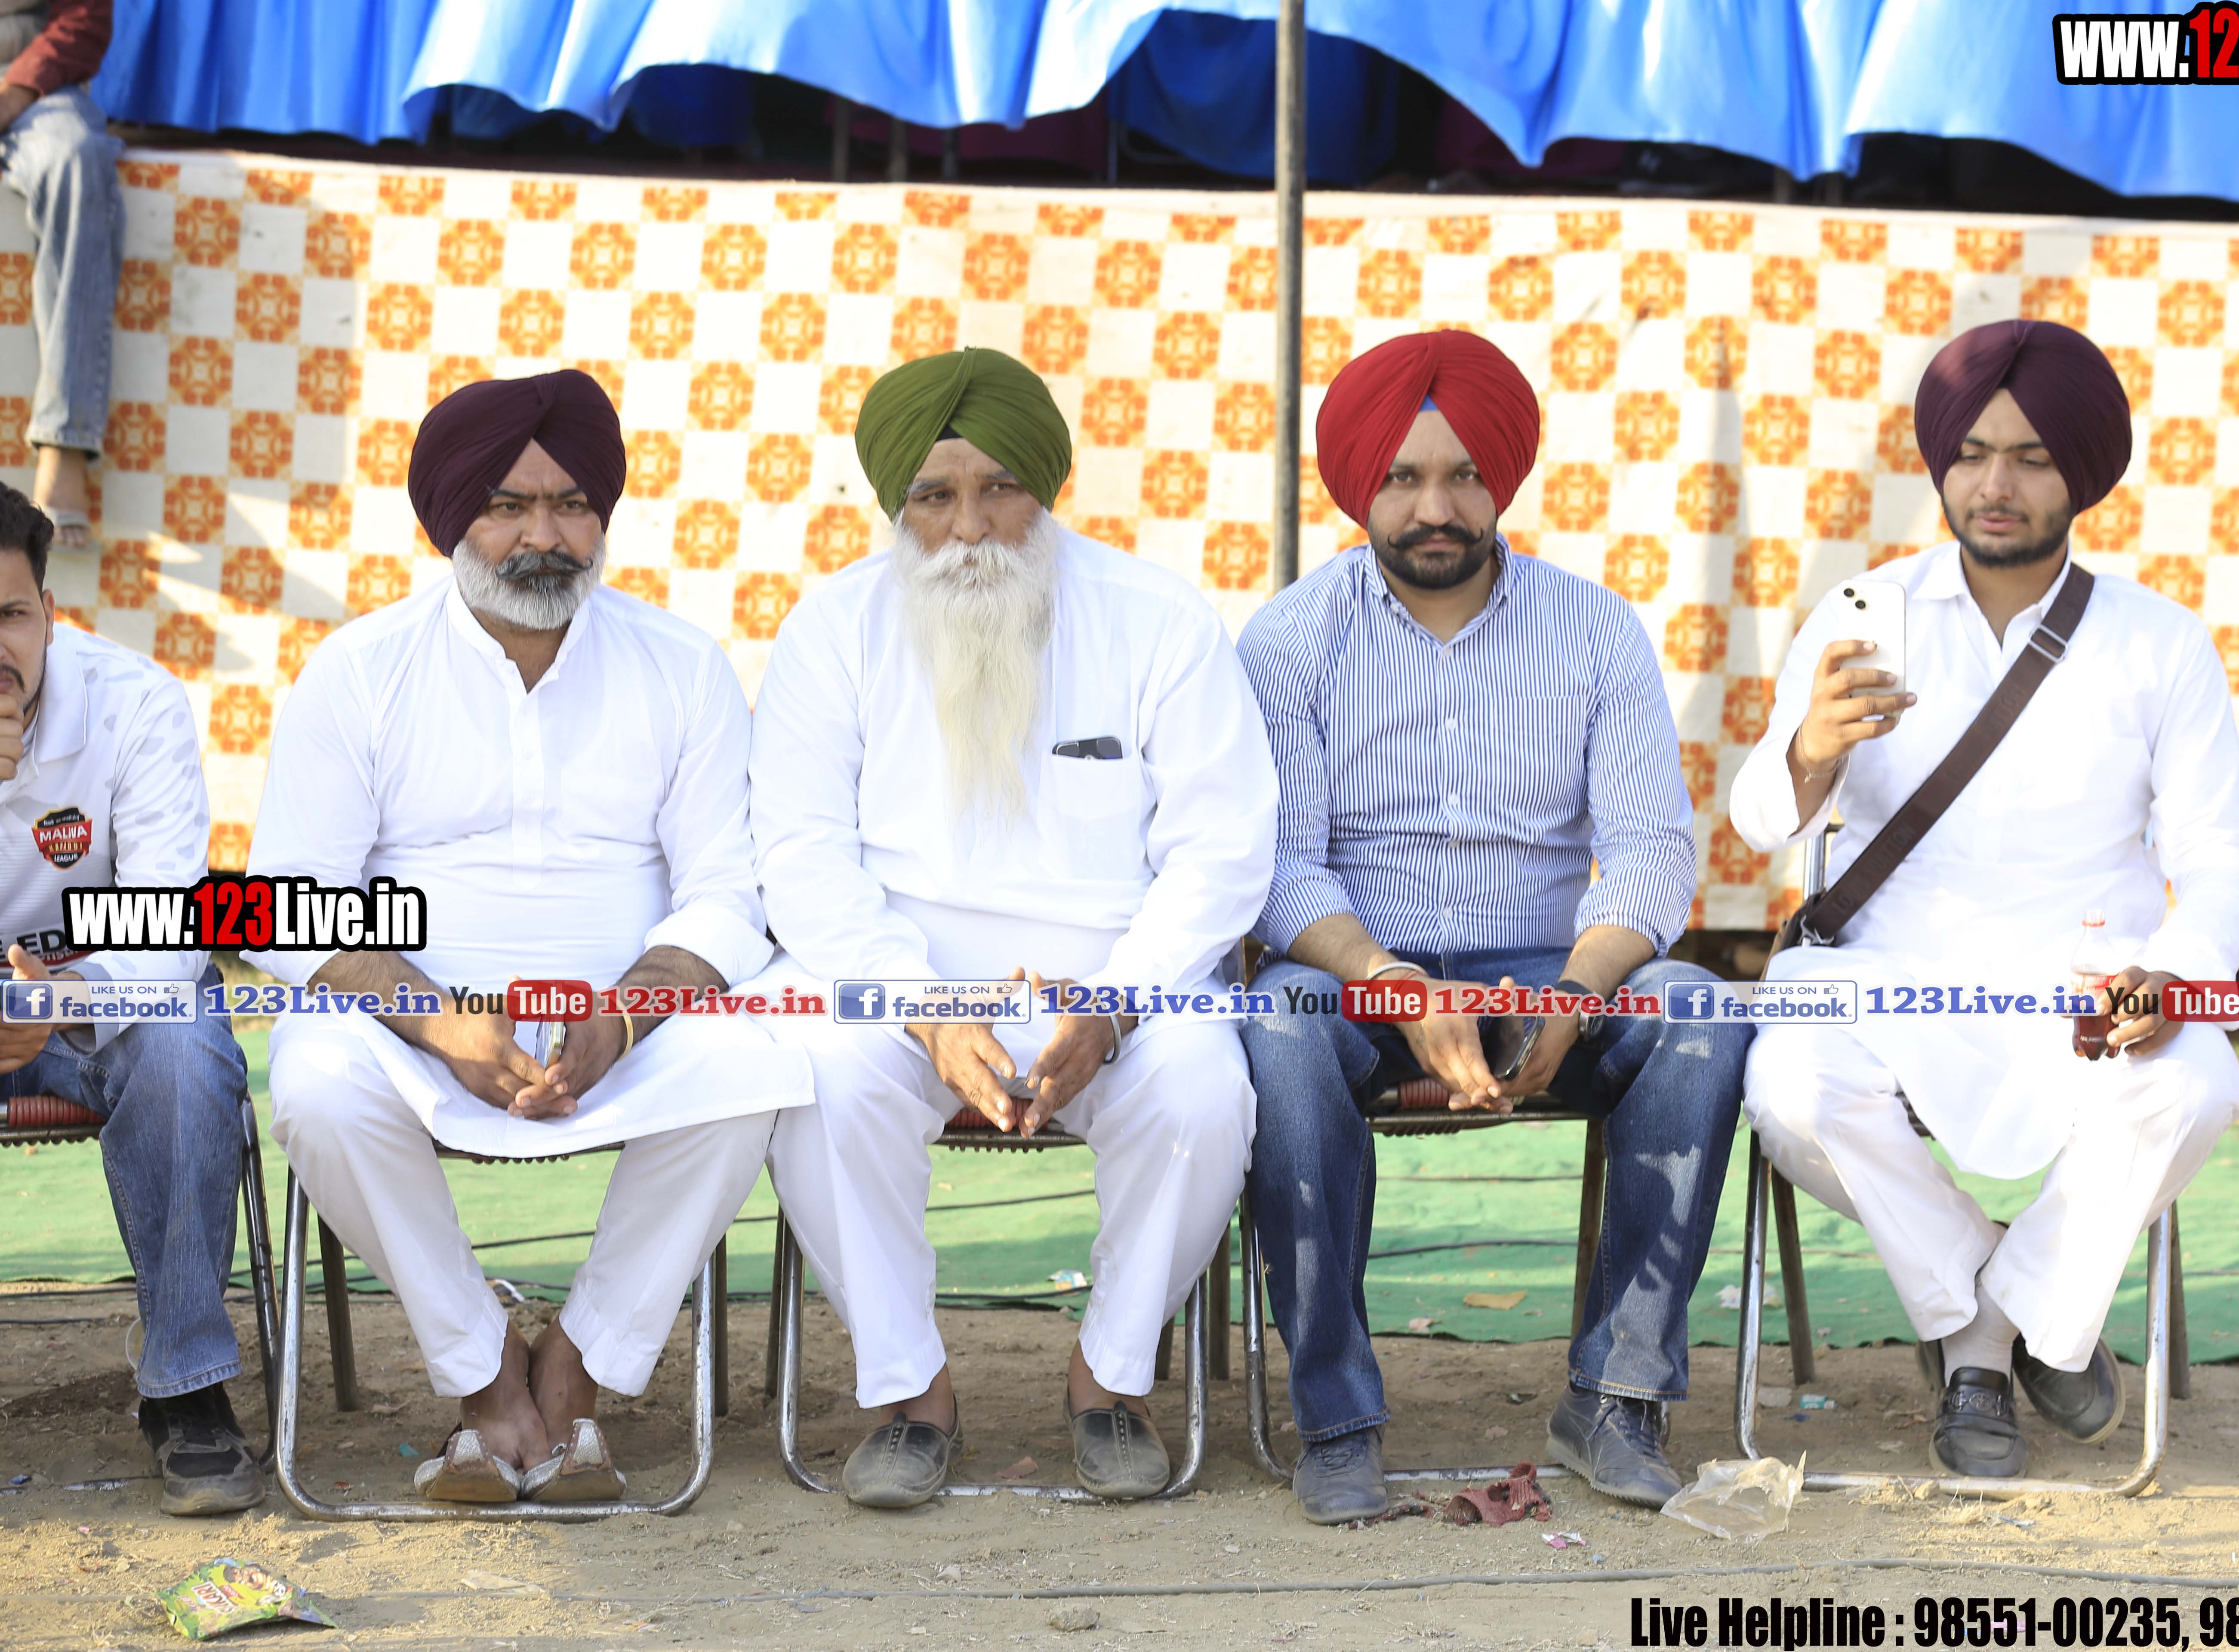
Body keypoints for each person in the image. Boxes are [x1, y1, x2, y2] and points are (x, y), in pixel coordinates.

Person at [245, 371, 810, 1504]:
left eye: (570, 505)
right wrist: (439, 1022)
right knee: (314, 1087)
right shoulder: (360, 669)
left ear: (603, 516)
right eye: (508, 507)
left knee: (755, 1070)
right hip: (412, 1030)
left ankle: (577, 1368)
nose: (543, 538)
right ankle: (486, 1374)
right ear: (453, 518)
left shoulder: (682, 665)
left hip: (625, 1032)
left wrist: (625, 1014)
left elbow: (726, 892)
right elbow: (285, 902)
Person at [1730, 318, 2239, 1479]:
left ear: (2082, 472)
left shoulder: (2159, 643)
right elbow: (1761, 821)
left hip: (2083, 983)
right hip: (1883, 973)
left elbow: (2220, 855)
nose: (1995, 484)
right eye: (1971, 454)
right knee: (1790, 1088)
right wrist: (1810, 749)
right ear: (1941, 463)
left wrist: (2175, 973)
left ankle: (1989, 1326)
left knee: (2195, 1085)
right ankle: (2002, 1319)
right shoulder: (1864, 612)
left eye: (2030, 457)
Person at [1236, 330, 1750, 1524]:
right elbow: (1276, 869)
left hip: (1547, 974)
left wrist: (1577, 989)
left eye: (1464, 475)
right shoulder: (1289, 640)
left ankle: (1616, 1398)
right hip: (1359, 974)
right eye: (1404, 477)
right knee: (1277, 1024)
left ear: (1503, 479)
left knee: (1698, 1012)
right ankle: (1337, 1419)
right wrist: (1392, 980)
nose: (1435, 507)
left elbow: (1651, 852)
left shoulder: (1594, 628)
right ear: (1357, 484)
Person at [751, 346, 1275, 1507]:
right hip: (898, 986)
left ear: (1047, 486)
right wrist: (925, 1009)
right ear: (896, 504)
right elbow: (799, 855)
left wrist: (1120, 1000)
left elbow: (1223, 845)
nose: (971, 527)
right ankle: (910, 1394)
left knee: (1201, 1092)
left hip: (1119, 983)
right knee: (820, 1077)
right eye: (935, 496)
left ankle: (1111, 1379)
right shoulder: (832, 629)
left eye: (1001, 489)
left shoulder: (1157, 619)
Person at [0, 481, 259, 1514]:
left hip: (92, 1000)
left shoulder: (135, 702)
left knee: (187, 1050)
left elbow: (173, 930)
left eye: (9, 615)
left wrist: (52, 1000)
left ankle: (186, 1387)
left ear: (48, 614)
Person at [0, 1, 120, 549]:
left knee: (77, 159)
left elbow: (84, 20)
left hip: (31, 80)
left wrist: (15, 93)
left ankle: (64, 439)